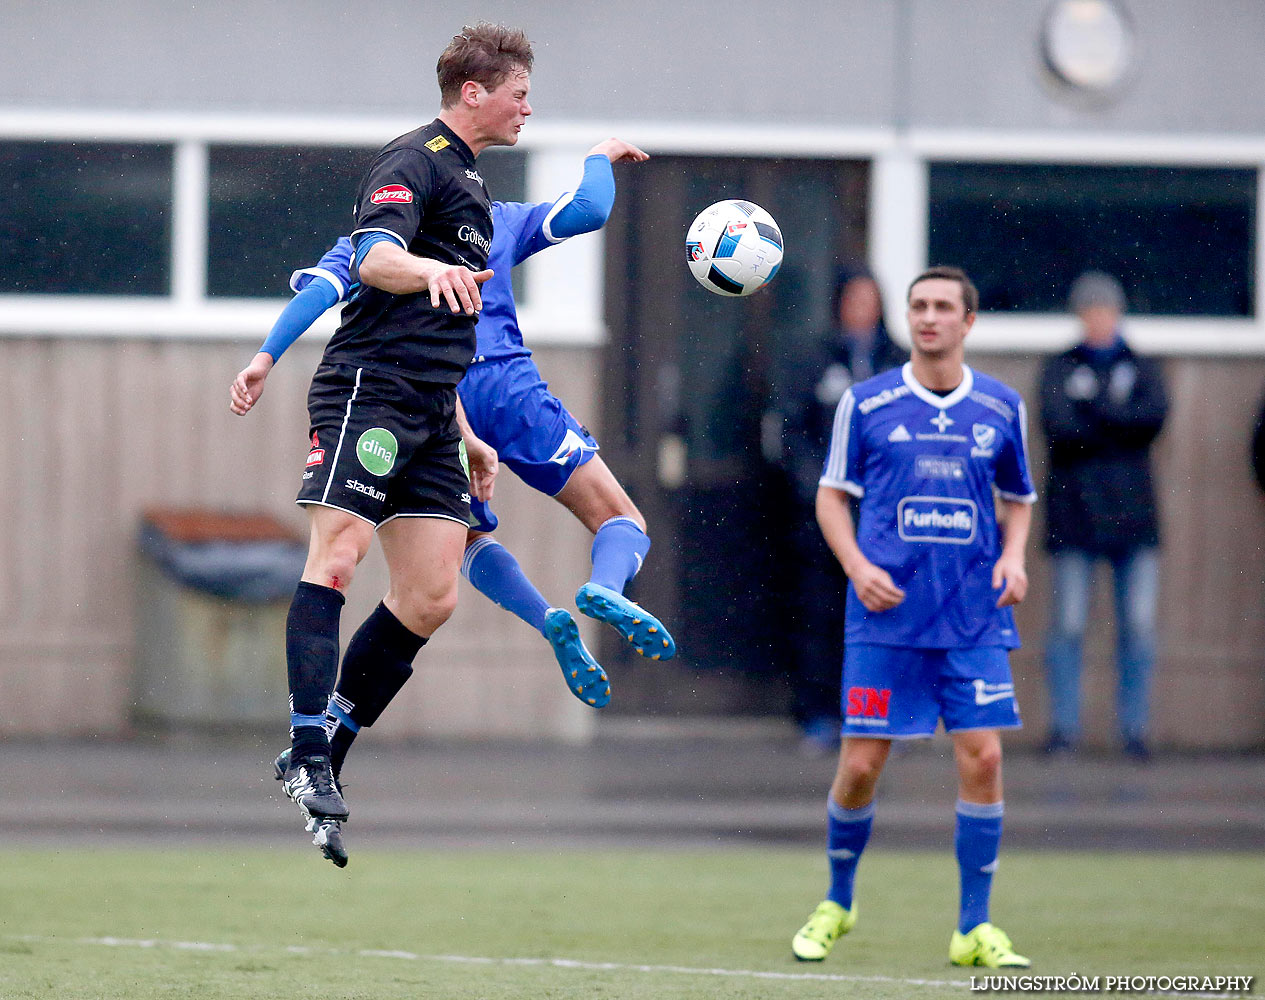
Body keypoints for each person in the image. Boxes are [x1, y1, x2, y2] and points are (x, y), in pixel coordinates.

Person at [232, 136, 672, 865]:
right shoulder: (416, 232)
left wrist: (266, 354)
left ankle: (539, 620)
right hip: (461, 390)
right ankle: (597, 586)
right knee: (607, 519)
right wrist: (596, 155)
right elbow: (590, 207)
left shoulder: (450, 229)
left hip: (448, 397)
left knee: (448, 568)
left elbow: (318, 289)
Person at [228, 23, 533, 863]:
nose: (527, 106)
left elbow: (439, 324)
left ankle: (317, 752)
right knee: (338, 556)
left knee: (433, 593)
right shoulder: (416, 157)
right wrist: (424, 271)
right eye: (518, 91)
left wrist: (468, 433)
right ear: (474, 92)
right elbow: (372, 260)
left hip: (434, 410)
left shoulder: (469, 183)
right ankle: (309, 746)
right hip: (368, 387)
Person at [790, 266, 1036, 969]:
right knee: (861, 766)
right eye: (918, 306)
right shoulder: (866, 405)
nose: (928, 317)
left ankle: (973, 927)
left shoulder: (998, 406)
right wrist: (858, 568)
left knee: (984, 757)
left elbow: (1018, 496)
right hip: (885, 621)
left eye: (942, 307)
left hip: (970, 618)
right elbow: (831, 497)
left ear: (968, 322)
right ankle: (838, 899)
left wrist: (1013, 557)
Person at [767, 267, 906, 753]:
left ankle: (879, 713)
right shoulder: (814, 360)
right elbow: (791, 432)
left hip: (886, 519)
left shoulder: (899, 362)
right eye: (853, 299)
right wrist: (820, 487)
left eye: (870, 299)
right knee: (821, 614)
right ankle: (820, 714)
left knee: (884, 615)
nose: (861, 309)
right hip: (825, 516)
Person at [1039, 271, 1167, 761]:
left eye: (1105, 310)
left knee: (1137, 627)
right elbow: (1059, 427)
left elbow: (1152, 419)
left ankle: (1134, 731)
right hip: (1075, 516)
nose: (1097, 319)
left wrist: (1097, 410)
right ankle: (1064, 730)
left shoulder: (1141, 364)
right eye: (1089, 311)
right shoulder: (1061, 366)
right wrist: (1115, 419)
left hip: (1134, 519)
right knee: (1068, 625)